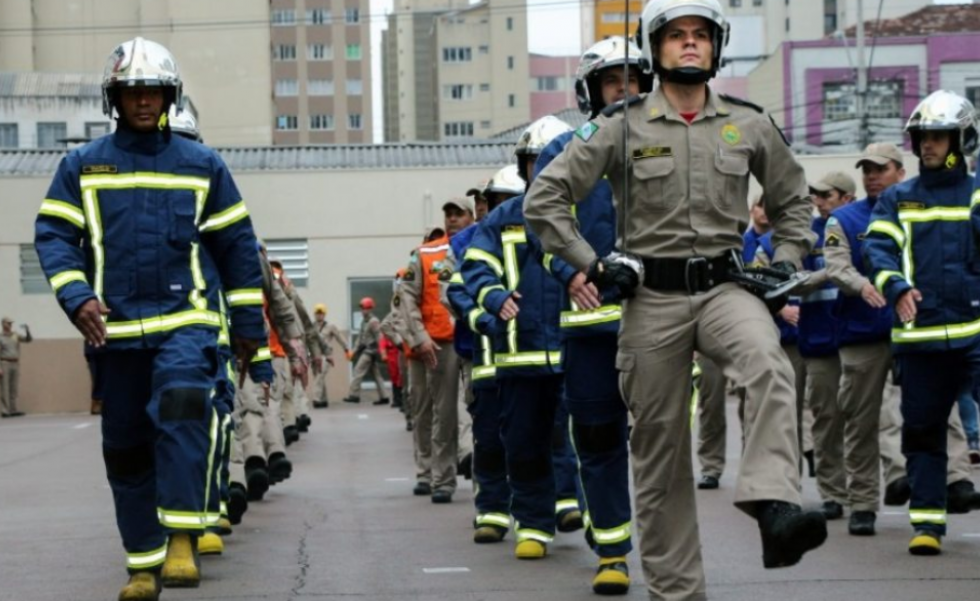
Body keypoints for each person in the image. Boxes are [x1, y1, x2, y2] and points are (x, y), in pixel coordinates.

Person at [524, 0, 828, 597]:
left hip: (725, 287)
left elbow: (796, 203)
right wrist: (592, 263)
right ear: (654, 48)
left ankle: (773, 507)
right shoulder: (620, 123)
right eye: (676, 35)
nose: (689, 44)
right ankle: (678, 592)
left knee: (768, 365)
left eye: (700, 35)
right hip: (650, 300)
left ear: (716, 47)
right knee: (660, 455)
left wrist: (785, 263)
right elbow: (545, 198)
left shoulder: (749, 122)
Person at [34, 37, 269, 599]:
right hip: (115, 332)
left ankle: (185, 537)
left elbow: (237, 250)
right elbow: (54, 236)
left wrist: (249, 333)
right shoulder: (82, 166)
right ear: (115, 98)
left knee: (184, 412)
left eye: (153, 91)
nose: (143, 101)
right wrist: (77, 297)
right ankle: (144, 562)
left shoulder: (204, 165)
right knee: (125, 446)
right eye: (132, 92)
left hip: (184, 323)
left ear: (170, 96)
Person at [863, 90, 980, 555]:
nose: (928, 145)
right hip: (920, 339)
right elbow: (878, 250)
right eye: (922, 137)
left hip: (975, 335)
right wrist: (895, 287)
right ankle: (928, 525)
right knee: (922, 434)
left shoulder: (976, 195)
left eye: (938, 137)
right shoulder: (897, 199)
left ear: (962, 139)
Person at [400, 198, 474, 502]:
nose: (453, 219)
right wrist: (419, 336)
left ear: (471, 216)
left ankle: (487, 484)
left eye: (459, 214)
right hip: (440, 344)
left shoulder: (483, 246)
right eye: (449, 215)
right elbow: (406, 298)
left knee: (479, 410)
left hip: (476, 338)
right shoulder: (426, 254)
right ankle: (440, 479)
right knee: (440, 414)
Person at [343, 297, 389, 405]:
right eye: (362, 308)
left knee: (358, 370)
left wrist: (382, 352)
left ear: (369, 309)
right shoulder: (364, 322)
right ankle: (384, 396)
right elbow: (360, 338)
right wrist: (353, 352)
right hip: (366, 349)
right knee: (376, 374)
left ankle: (354, 395)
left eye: (365, 308)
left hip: (370, 351)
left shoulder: (374, 321)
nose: (363, 311)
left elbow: (379, 337)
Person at [311, 303, 348, 408]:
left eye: (321, 313)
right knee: (319, 378)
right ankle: (323, 400)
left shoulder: (330, 327)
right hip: (315, 356)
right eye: (317, 313)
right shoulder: (311, 327)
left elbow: (339, 337)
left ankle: (316, 399)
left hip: (326, 356)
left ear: (324, 314)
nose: (319, 315)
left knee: (319, 376)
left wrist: (346, 349)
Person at [0, 317, 31, 417]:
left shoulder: (15, 335)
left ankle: (13, 409)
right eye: (8, 323)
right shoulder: (1, 337)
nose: (10, 325)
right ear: (3, 324)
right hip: (4, 362)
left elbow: (28, 340)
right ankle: (5, 410)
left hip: (15, 363)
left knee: (13, 387)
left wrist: (27, 330)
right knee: (4, 387)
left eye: (11, 323)